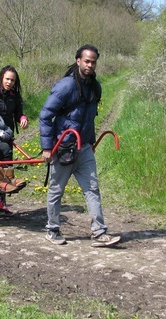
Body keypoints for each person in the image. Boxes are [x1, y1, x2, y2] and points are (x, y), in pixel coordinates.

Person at [39, 45, 120, 247]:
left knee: (92, 189)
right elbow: (45, 116)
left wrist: (90, 142)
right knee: (57, 190)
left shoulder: (96, 87)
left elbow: (89, 118)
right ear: (78, 60)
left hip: (84, 148)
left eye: (93, 62)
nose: (90, 65)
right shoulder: (65, 86)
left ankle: (99, 232)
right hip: (63, 146)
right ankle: (52, 229)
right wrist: (48, 147)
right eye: (87, 61)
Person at [0, 65, 28, 215]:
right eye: (7, 79)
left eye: (12, 80)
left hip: (7, 136)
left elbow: (19, 114)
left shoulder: (15, 97)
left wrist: (23, 118)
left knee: (7, 168)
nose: (9, 82)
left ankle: (0, 203)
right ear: (2, 78)